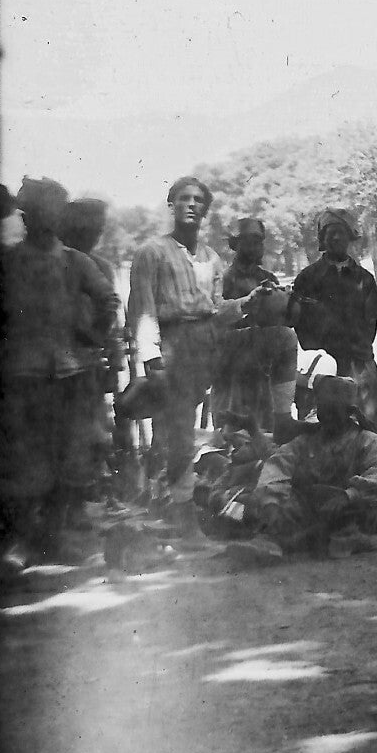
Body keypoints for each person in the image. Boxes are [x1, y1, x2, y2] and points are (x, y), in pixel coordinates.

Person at [0, 178, 120, 567]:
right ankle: (22, 541)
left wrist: (92, 336)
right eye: (33, 210)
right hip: (22, 374)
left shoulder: (75, 261)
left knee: (70, 456)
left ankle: (55, 536)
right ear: (27, 215)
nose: (40, 217)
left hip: (68, 374)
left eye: (51, 209)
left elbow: (108, 300)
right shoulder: (8, 261)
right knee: (26, 458)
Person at [127, 175, 260, 527]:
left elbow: (215, 309)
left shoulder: (210, 258)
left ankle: (173, 506)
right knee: (175, 430)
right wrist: (152, 358)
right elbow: (142, 308)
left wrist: (248, 303)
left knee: (183, 429)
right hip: (172, 345)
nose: (191, 205)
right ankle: (175, 512)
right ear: (171, 205)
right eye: (183, 198)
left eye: (198, 200)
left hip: (203, 346)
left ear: (206, 210)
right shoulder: (151, 252)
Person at [223, 375, 377, 563]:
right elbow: (278, 465)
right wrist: (271, 501)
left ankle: (339, 538)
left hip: (352, 509)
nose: (327, 418)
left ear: (349, 412)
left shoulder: (366, 440)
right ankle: (272, 541)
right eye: (323, 410)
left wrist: (349, 495)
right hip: (313, 507)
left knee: (346, 521)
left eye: (333, 411)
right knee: (279, 507)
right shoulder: (307, 441)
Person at [289, 208, 377, 433]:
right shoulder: (307, 278)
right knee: (321, 431)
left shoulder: (365, 279)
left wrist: (354, 350)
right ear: (322, 239)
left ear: (350, 236)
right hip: (322, 367)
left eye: (341, 232)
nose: (336, 237)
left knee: (367, 429)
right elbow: (301, 326)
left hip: (358, 362)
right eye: (330, 232)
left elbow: (369, 324)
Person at [58, 197, 124, 512]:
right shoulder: (59, 260)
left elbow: (110, 313)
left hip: (89, 363)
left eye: (98, 229)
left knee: (96, 433)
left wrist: (107, 350)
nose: (94, 235)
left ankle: (87, 500)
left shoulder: (102, 266)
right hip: (57, 365)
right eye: (88, 228)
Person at [210, 218, 296, 433]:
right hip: (232, 368)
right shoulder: (224, 279)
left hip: (264, 369)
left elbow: (282, 322)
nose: (256, 247)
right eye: (248, 241)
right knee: (233, 433)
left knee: (266, 431)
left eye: (259, 241)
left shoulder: (268, 278)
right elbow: (217, 319)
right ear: (235, 245)